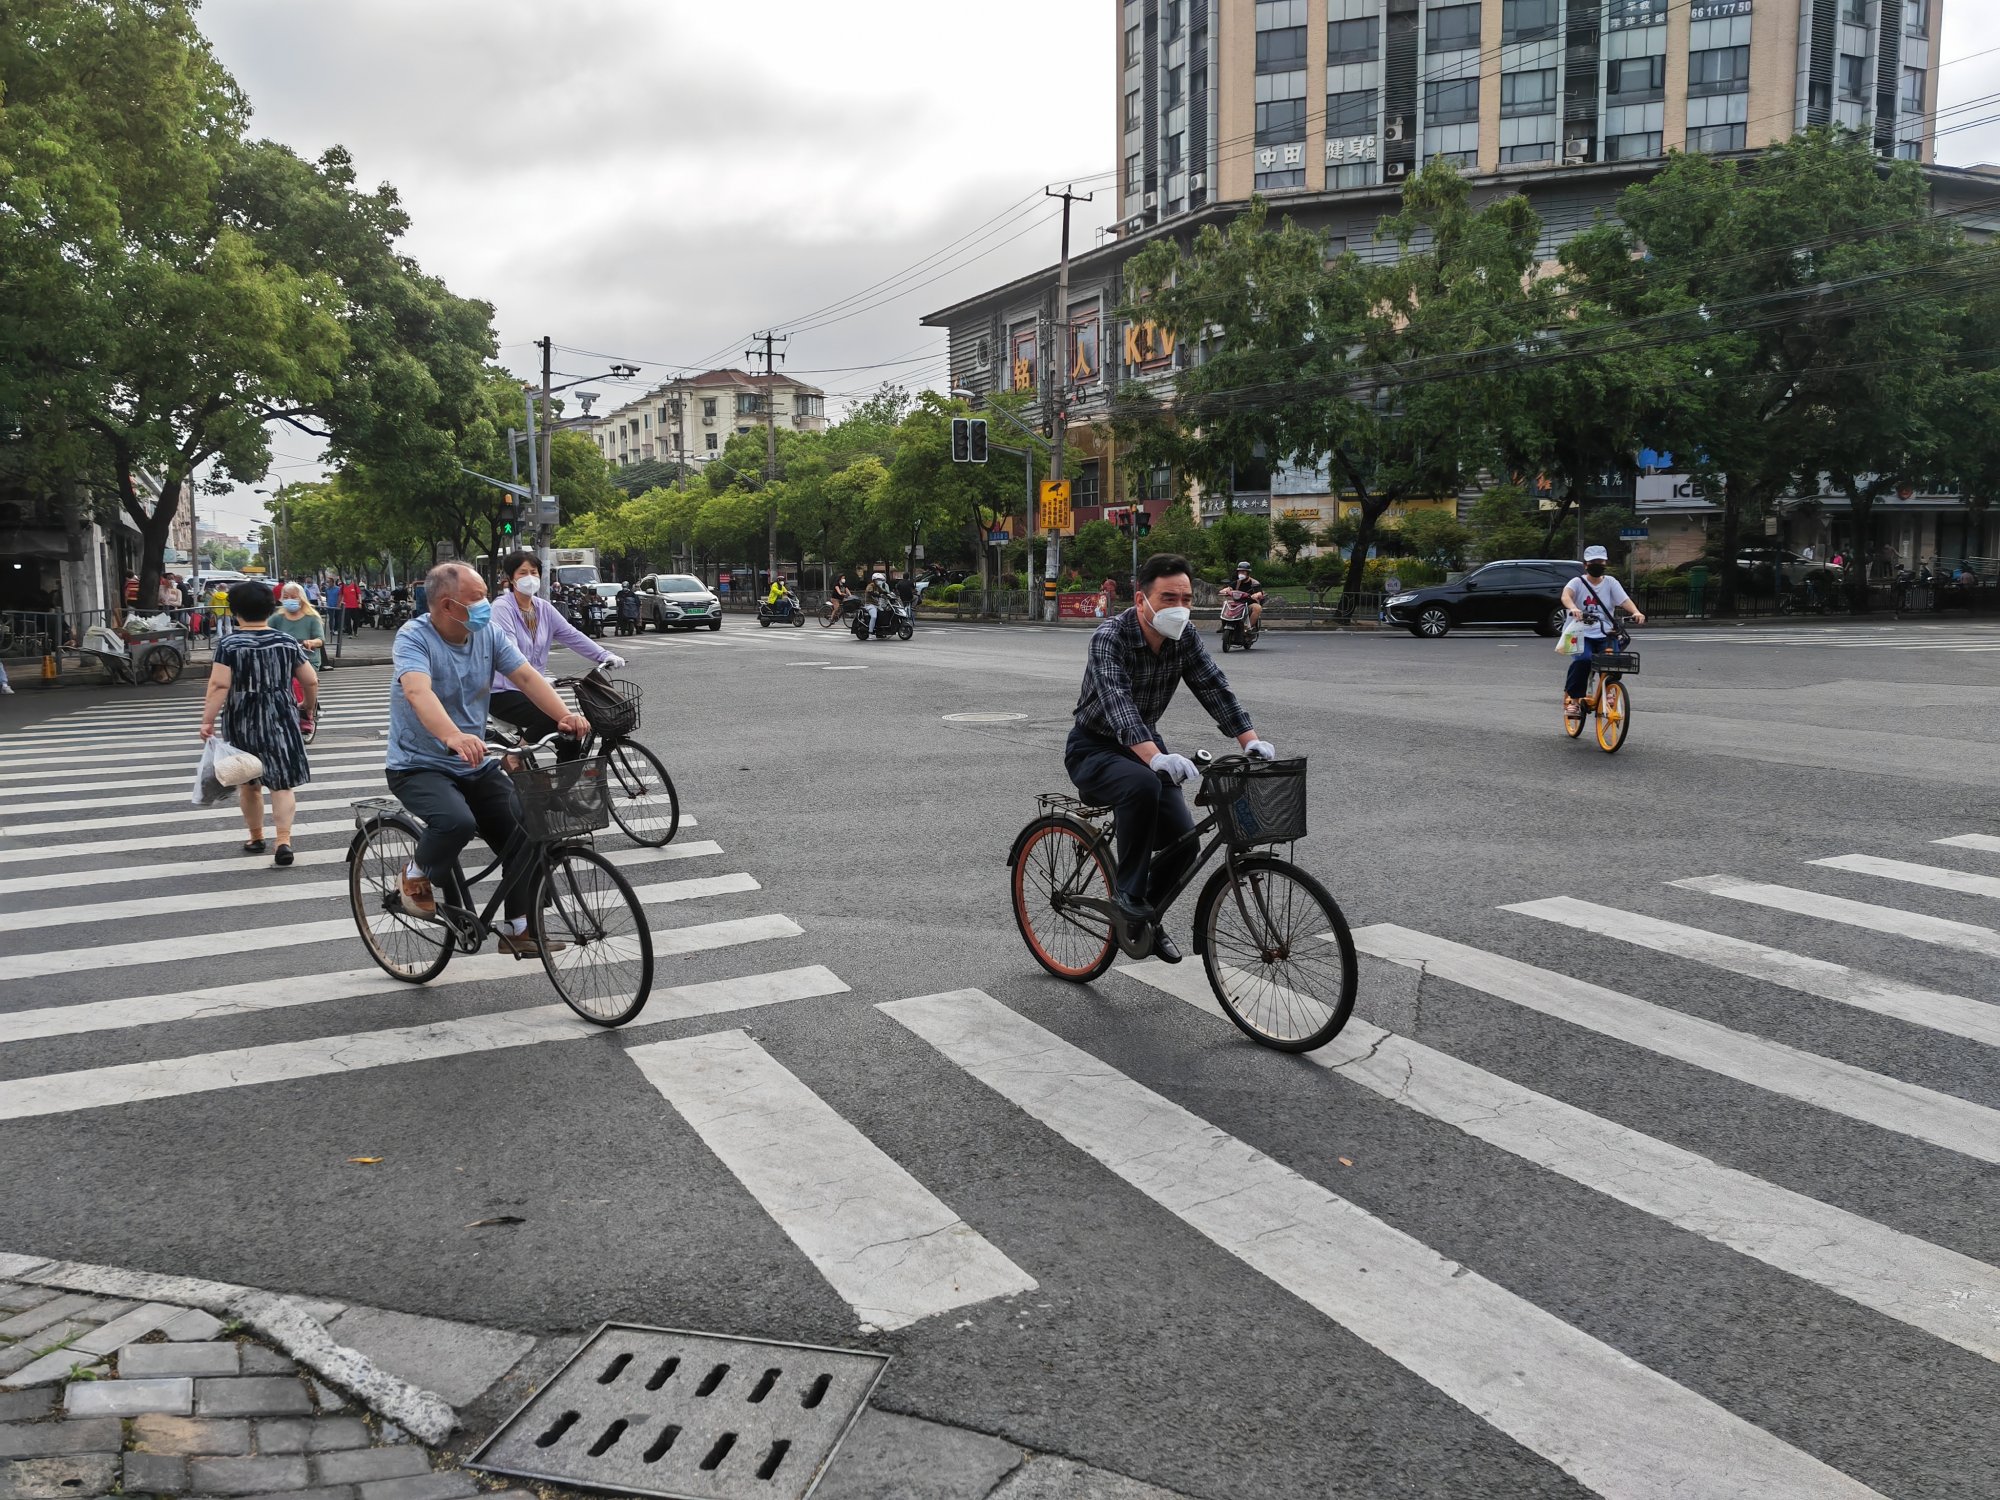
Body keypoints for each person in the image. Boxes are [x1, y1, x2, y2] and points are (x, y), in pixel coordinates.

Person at [1068, 553, 1275, 964]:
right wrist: (1155, 758)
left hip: (1147, 746)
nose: (1178, 606)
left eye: (1185, 597)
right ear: (1141, 599)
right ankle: (1128, 894)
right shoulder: (1110, 637)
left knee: (1185, 844)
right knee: (1143, 784)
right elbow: (1117, 702)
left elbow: (1213, 686)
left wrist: (1248, 740)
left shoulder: (1186, 638)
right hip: (1094, 748)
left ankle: (1145, 919)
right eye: (1167, 597)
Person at [389, 561, 590, 956]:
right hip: (418, 764)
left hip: (475, 761)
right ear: (448, 606)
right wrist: (452, 735)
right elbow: (418, 692)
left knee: (527, 829)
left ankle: (519, 928)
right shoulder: (414, 637)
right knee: (456, 822)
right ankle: (414, 876)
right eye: (477, 598)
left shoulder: (488, 633)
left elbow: (527, 677)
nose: (486, 604)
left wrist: (562, 715)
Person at [200, 580, 318, 866]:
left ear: (235, 611)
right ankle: (283, 840)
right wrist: (307, 708)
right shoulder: (285, 642)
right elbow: (310, 679)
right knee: (281, 783)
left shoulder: (229, 644)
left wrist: (207, 721)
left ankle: (255, 837)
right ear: (270, 609)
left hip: (243, 717)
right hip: (281, 715)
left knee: (249, 782)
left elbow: (218, 685)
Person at [489, 551, 624, 755]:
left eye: (533, 572)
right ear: (510, 578)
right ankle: (515, 756)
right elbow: (510, 650)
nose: (529, 578)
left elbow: (571, 635)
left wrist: (604, 655)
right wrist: (538, 679)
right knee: (552, 718)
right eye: (522, 573)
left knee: (571, 733)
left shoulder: (544, 608)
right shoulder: (502, 608)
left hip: (534, 688)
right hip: (503, 691)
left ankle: (563, 786)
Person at [1562, 545, 1645, 719]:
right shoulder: (1577, 582)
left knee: (1614, 662)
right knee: (1583, 661)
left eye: (1600, 561)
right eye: (1593, 562)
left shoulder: (1611, 582)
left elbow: (1624, 600)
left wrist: (1635, 612)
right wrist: (1573, 608)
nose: (1597, 565)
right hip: (1580, 633)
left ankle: (1610, 691)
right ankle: (1575, 701)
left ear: (1605, 562)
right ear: (1586, 565)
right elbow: (1566, 596)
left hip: (1606, 632)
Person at [270, 581, 326, 732]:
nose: (289, 600)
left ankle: (307, 713)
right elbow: (266, 631)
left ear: (301, 598)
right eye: (286, 597)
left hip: (307, 659)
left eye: (293, 597)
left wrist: (310, 642)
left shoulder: (311, 617)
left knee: (298, 682)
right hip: (282, 659)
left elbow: (320, 640)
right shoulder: (277, 618)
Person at [1226, 561, 1266, 634]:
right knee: (1226, 604)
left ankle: (1248, 628)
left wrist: (1256, 595)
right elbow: (1229, 588)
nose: (1241, 574)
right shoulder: (1237, 582)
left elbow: (1260, 592)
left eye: (1243, 572)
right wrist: (1225, 591)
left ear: (1248, 573)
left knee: (1257, 608)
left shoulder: (1254, 583)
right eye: (1239, 572)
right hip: (1237, 604)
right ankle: (1224, 624)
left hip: (1248, 605)